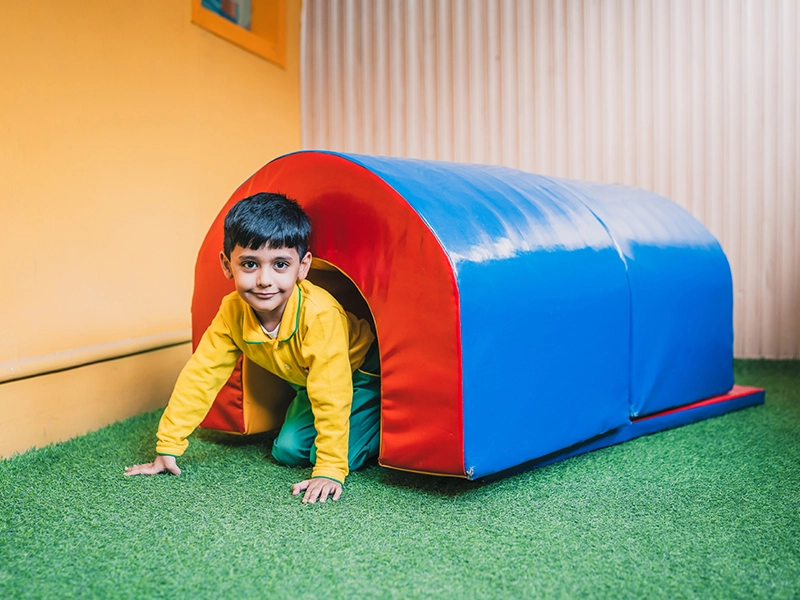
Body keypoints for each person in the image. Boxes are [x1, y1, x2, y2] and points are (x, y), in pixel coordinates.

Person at [124, 192, 381, 504]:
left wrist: (330, 468)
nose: (264, 280)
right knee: (288, 451)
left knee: (335, 456)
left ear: (302, 267)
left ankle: (381, 418)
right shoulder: (231, 311)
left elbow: (331, 393)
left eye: (280, 264)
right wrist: (168, 445)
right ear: (227, 265)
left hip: (362, 374)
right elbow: (202, 375)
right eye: (249, 264)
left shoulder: (320, 316)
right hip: (308, 382)